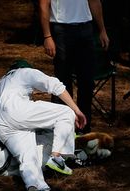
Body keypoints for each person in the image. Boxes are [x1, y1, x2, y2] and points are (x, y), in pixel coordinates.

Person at [0, 60, 87, 191]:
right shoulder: (23, 72)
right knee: (66, 113)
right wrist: (77, 110)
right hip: (17, 111)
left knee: (27, 155)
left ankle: (36, 186)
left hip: (2, 125)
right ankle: (56, 157)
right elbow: (56, 86)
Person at [39, 0, 109, 134]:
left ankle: (84, 129)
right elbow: (44, 4)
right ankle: (63, 130)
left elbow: (94, 2)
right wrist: (47, 35)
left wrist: (102, 30)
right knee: (63, 83)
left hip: (85, 29)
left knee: (87, 82)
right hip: (61, 29)